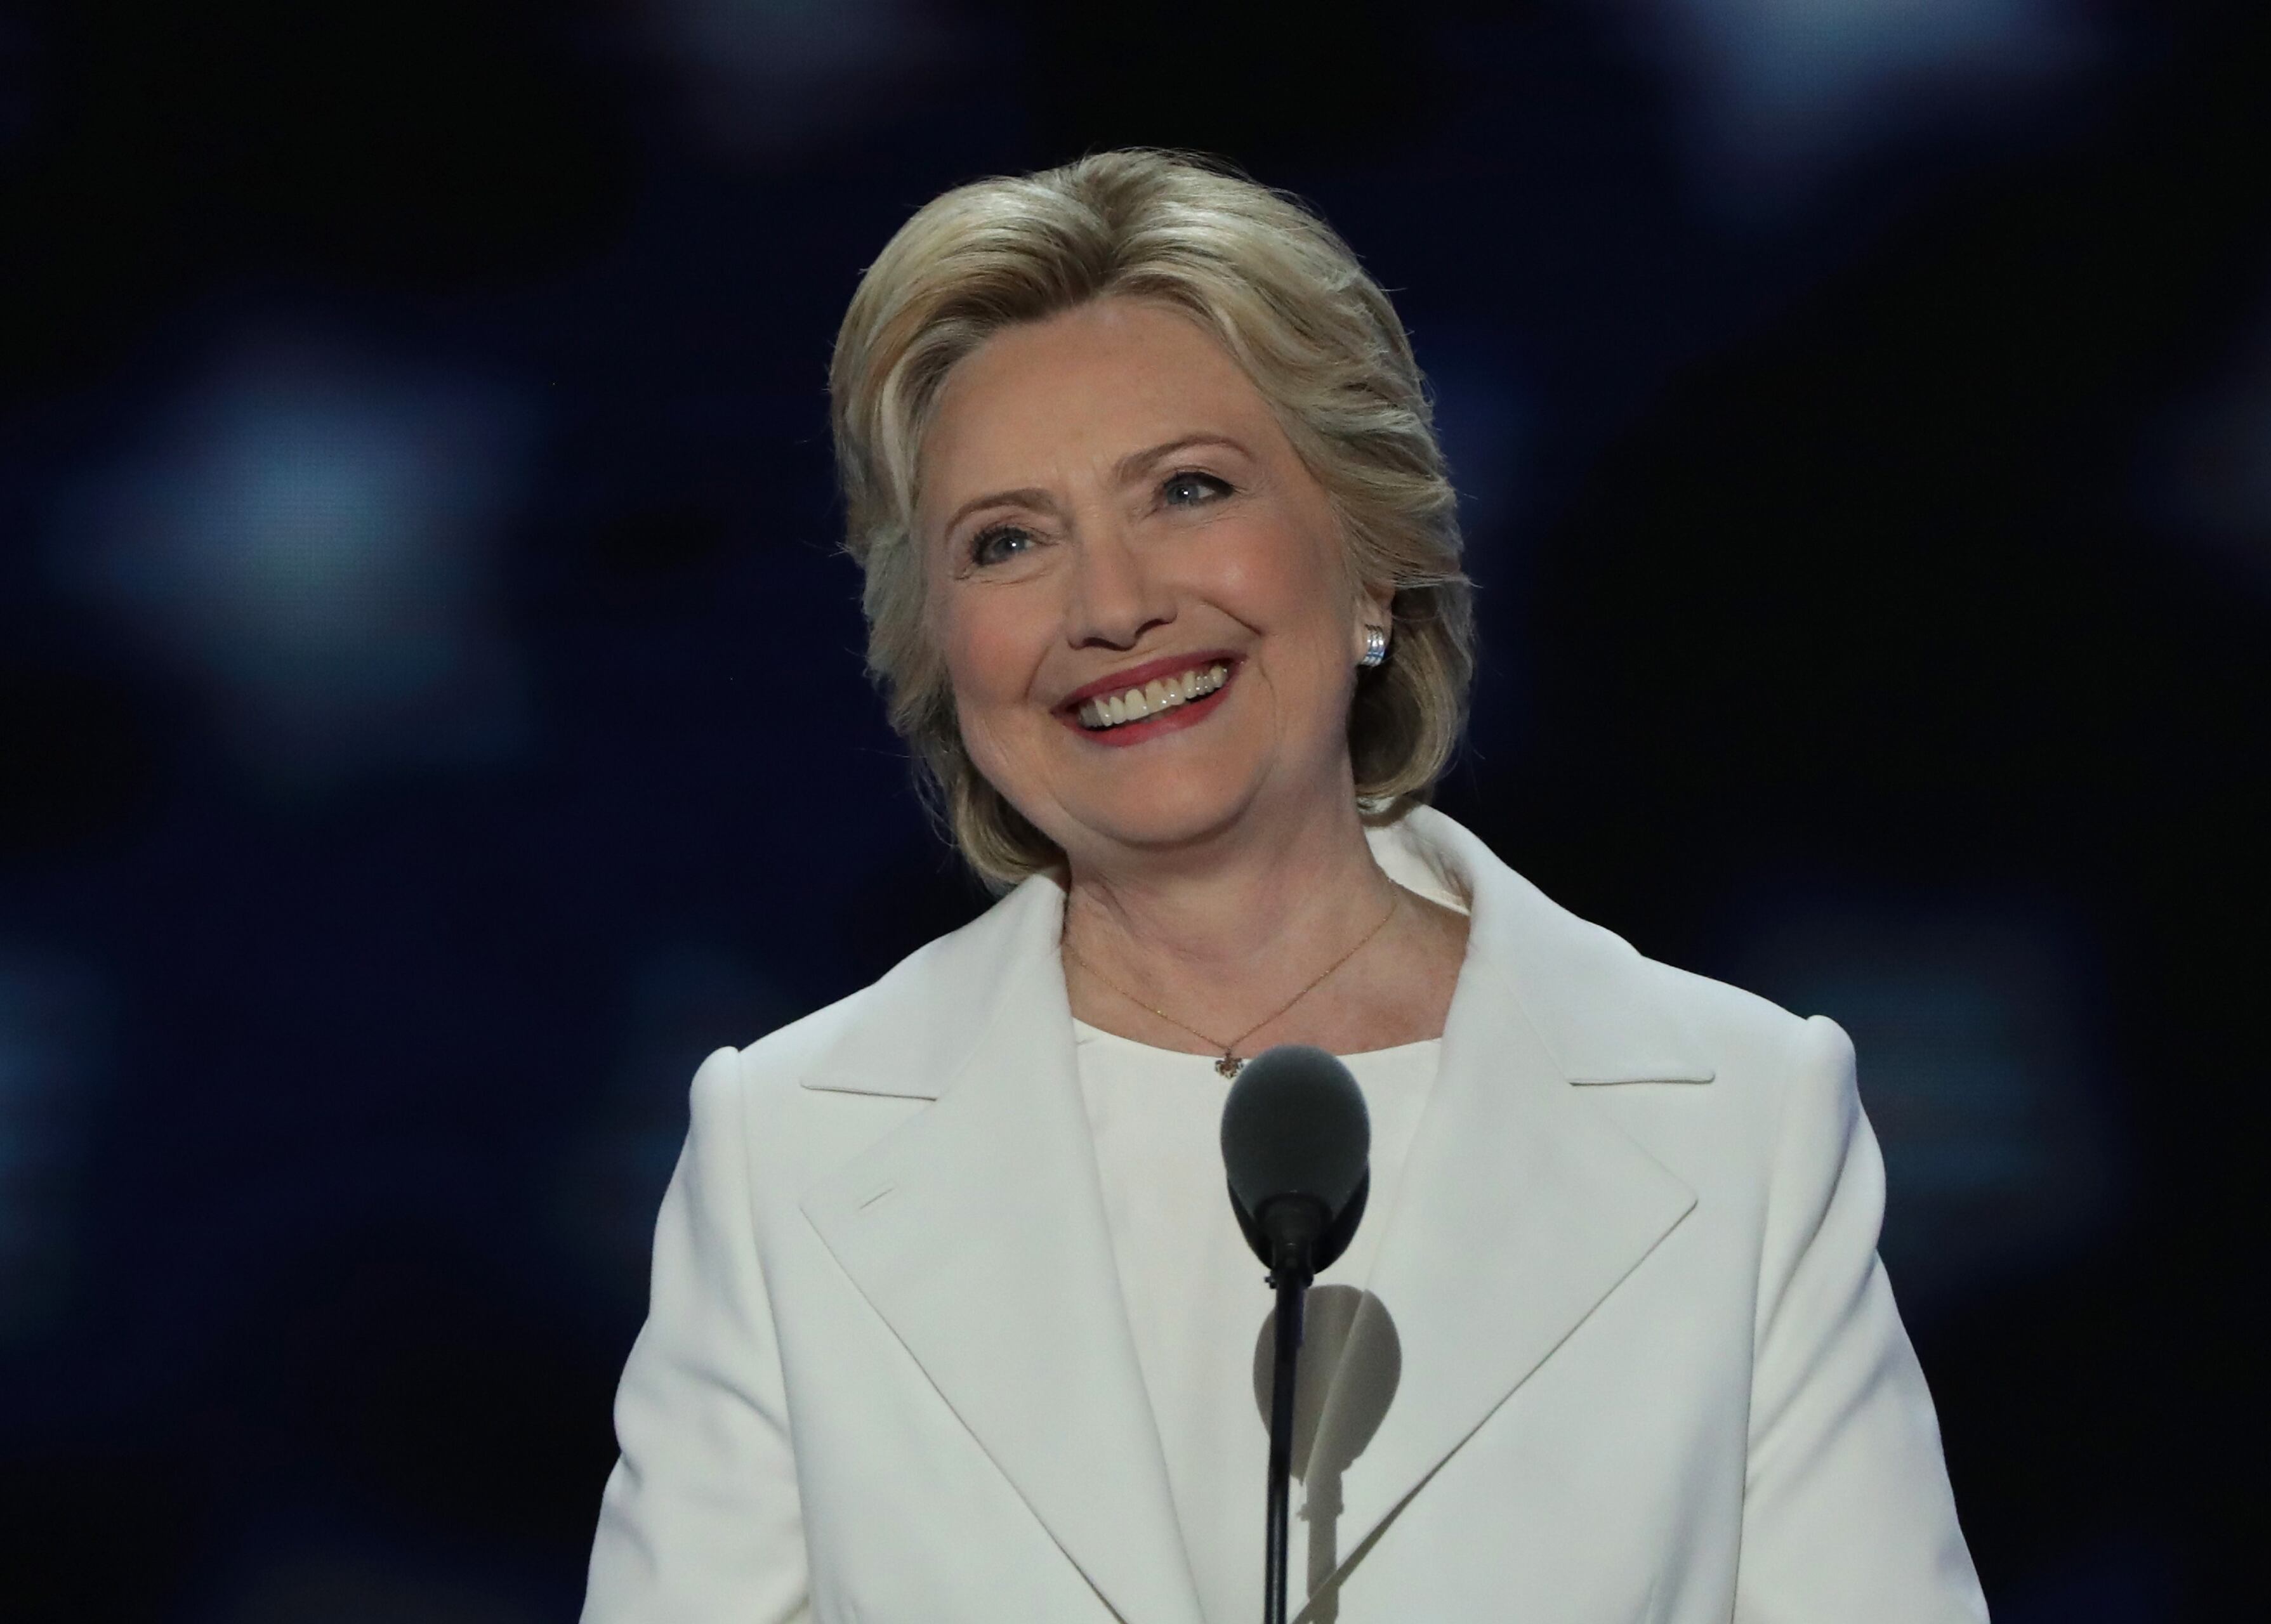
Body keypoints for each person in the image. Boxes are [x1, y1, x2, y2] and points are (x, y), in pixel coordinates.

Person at [579, 149, 1987, 1624]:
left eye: (1189, 490)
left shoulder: (1741, 1116)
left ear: (1372, 560)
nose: (1113, 604)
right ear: (935, 644)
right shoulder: (785, 1150)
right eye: (1008, 540)